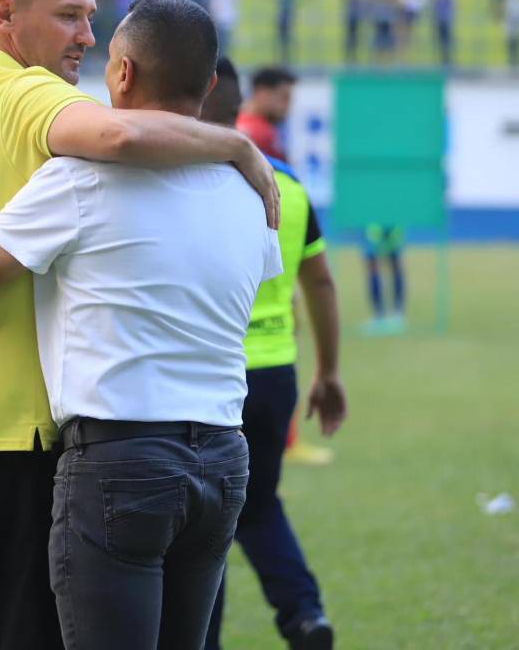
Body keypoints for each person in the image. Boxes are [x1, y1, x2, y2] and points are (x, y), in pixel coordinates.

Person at [0, 0, 277, 650]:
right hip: (22, 433)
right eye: (69, 16)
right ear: (4, 15)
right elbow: (115, 132)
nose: (86, 35)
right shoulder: (33, 96)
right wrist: (236, 147)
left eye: (90, 17)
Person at [200, 58, 346, 650]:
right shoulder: (286, 182)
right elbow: (321, 283)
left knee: (199, 527)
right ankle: (305, 616)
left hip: (210, 379)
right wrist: (329, 373)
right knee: (259, 507)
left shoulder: (182, 180)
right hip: (275, 376)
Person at [237, 67, 296, 162]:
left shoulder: (233, 120)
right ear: (263, 92)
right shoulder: (262, 133)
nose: (288, 106)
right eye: (285, 98)